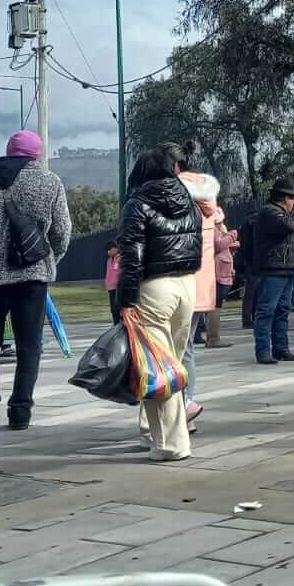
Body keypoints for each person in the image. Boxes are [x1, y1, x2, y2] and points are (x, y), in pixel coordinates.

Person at [0, 130, 72, 433]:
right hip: (32, 276)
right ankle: (21, 409)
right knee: (29, 344)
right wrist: (48, 260)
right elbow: (62, 232)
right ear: (36, 153)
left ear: (8, 150)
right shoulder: (50, 181)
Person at [115, 146, 203, 462]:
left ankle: (170, 443)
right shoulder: (188, 199)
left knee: (156, 368)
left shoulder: (137, 204)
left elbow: (132, 258)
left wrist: (125, 300)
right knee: (171, 362)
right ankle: (148, 430)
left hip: (154, 288)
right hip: (186, 286)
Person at [241, 178, 294, 365]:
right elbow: (289, 225)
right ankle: (263, 350)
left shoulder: (282, 213)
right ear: (285, 198)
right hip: (272, 269)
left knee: (282, 310)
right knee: (266, 310)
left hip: (286, 268)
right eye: (293, 198)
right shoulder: (270, 212)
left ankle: (281, 348)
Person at [175, 153, 220, 428]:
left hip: (180, 278)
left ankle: (182, 406)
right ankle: (187, 400)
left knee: (175, 349)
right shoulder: (209, 200)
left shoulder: (176, 194)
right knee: (187, 347)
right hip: (203, 282)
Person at [209, 216, 237, 349]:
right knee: (216, 304)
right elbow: (218, 245)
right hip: (218, 272)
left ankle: (212, 336)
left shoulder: (216, 229)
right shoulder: (212, 229)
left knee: (216, 304)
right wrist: (232, 235)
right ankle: (213, 338)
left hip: (222, 270)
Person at [104, 240, 122, 324]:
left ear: (115, 249)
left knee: (118, 308)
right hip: (110, 288)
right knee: (113, 310)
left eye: (109, 249)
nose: (108, 252)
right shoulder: (108, 260)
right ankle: (115, 326)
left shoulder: (120, 258)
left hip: (118, 288)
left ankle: (121, 326)